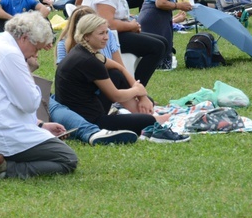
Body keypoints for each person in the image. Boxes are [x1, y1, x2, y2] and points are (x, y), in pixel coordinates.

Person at [0, 12, 78, 180]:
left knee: (51, 149)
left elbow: (2, 102)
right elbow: (30, 103)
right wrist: (27, 71)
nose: (34, 55)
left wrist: (40, 125)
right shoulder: (10, 53)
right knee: (67, 158)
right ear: (25, 38)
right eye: (36, 49)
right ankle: (4, 169)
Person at [55, 14, 188, 142]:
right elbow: (116, 96)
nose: (106, 37)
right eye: (101, 34)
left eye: (106, 32)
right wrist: (138, 91)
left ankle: (139, 112)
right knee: (149, 122)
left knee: (115, 74)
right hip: (88, 122)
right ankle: (151, 119)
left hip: (79, 112)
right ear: (87, 36)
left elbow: (119, 68)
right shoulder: (89, 61)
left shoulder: (83, 51)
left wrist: (142, 96)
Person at [82, 0, 169, 86]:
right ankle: (133, 89)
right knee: (157, 47)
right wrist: (131, 26)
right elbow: (106, 22)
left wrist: (130, 22)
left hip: (110, 34)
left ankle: (134, 86)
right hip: (104, 38)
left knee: (162, 42)